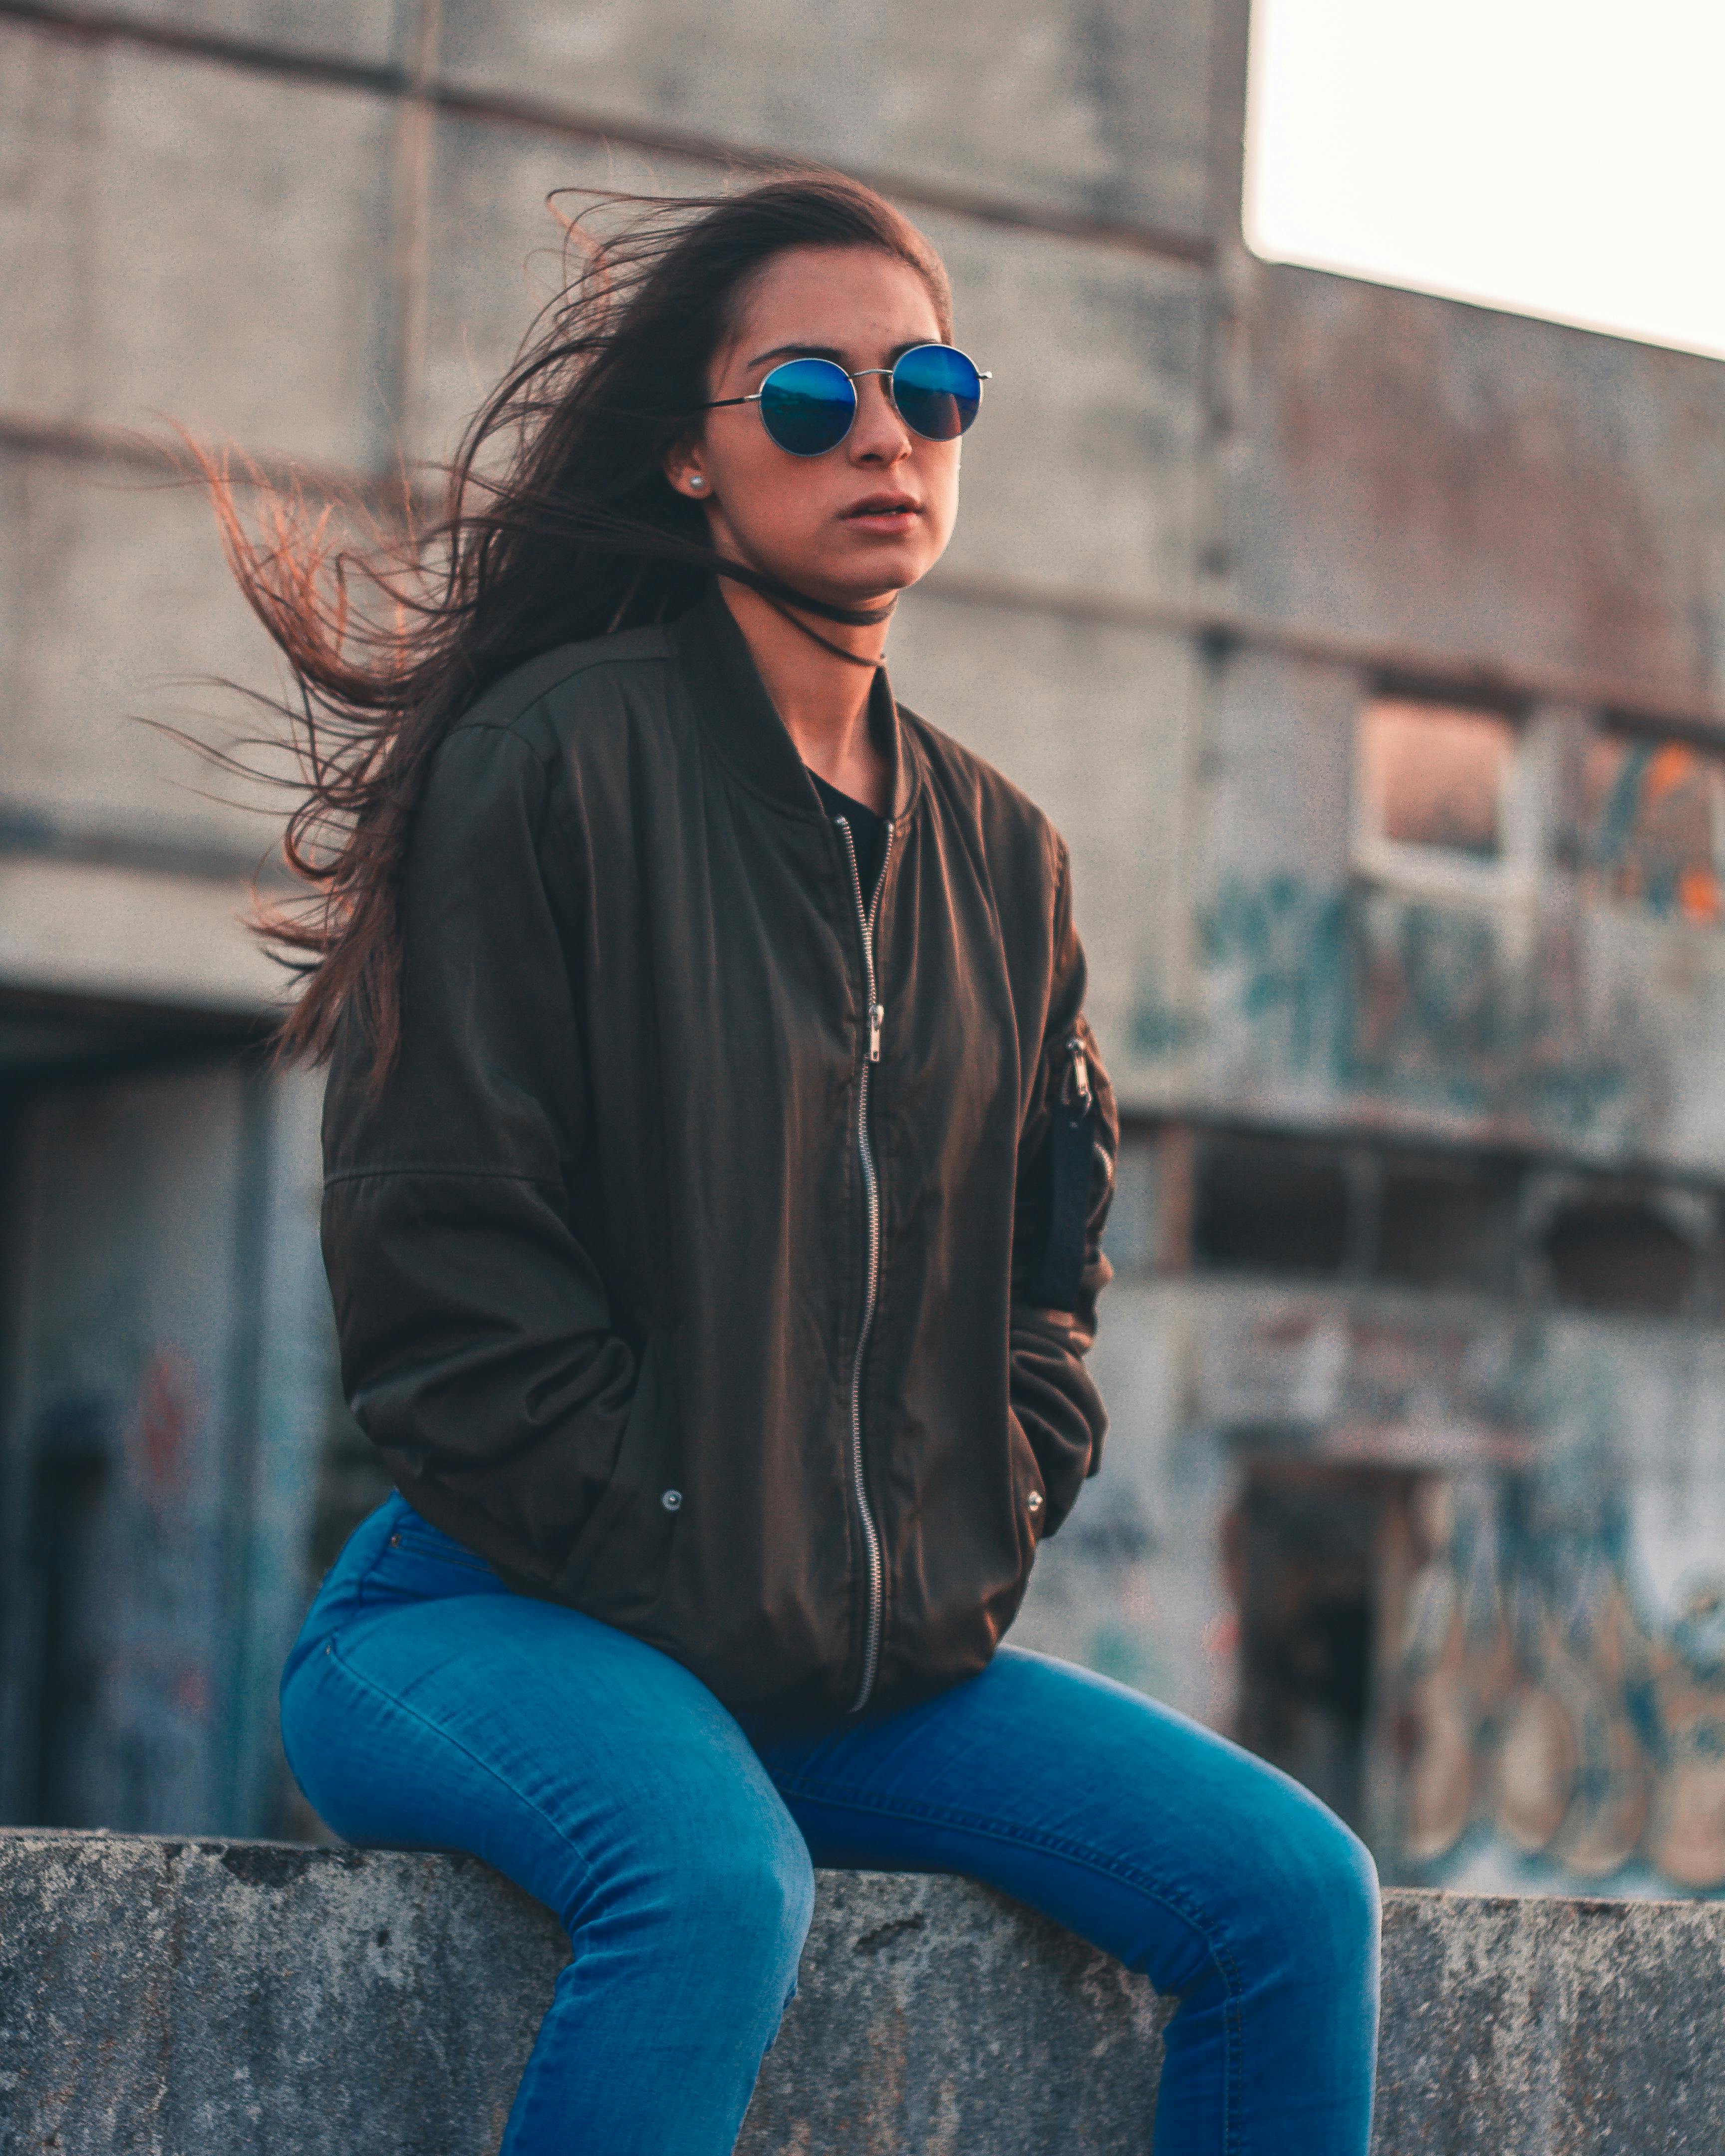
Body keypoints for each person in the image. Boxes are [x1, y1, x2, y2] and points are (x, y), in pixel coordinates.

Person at [221, 172, 1378, 2153]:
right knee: (708, 1890)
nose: (886, 436)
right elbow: (442, 1272)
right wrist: (710, 1555)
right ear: (690, 451)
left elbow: (1048, 1278)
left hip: (847, 1664)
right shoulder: (555, 761)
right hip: (491, 1622)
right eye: (814, 396)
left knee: (1293, 1899)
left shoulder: (1005, 860)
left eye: (930, 389)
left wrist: (961, 1516)